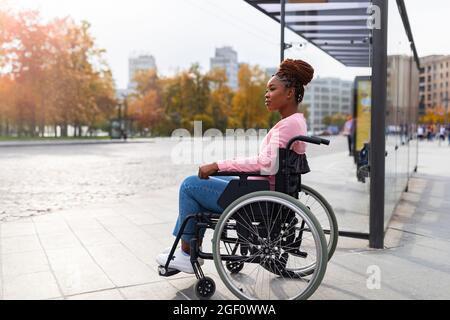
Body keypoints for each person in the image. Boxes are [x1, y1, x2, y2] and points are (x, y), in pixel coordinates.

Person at [156, 59, 314, 273]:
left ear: (289, 93)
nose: (266, 94)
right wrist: (221, 168)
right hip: (266, 188)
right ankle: (186, 247)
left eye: (272, 89)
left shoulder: (287, 125)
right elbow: (268, 162)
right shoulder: (296, 121)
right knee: (203, 182)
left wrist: (218, 164)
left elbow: (264, 163)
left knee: (189, 186)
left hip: (258, 195)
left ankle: (185, 253)